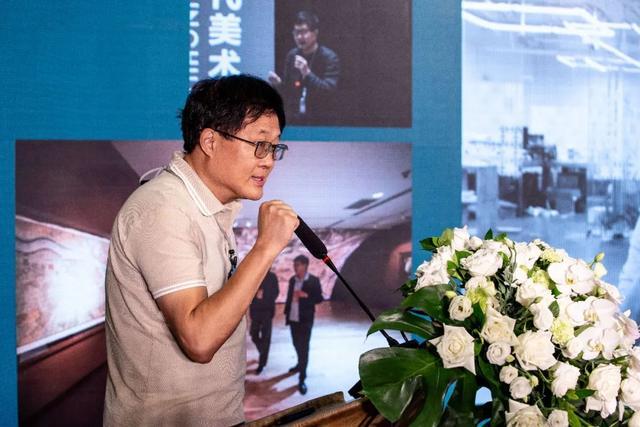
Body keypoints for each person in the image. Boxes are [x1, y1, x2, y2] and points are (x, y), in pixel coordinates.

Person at [103, 74, 299, 426]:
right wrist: (266, 247)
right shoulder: (162, 209)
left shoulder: (212, 208)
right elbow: (199, 339)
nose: (268, 160)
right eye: (259, 144)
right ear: (210, 140)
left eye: (274, 148)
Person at [268, 11, 340, 124]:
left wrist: (307, 73)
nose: (299, 37)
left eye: (304, 32)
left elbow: (329, 91)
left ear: (315, 33)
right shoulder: (292, 55)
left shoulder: (329, 57)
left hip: (323, 119)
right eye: (296, 32)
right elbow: (288, 93)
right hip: (295, 119)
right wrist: (278, 84)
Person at [283, 255, 323, 395]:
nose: (295, 267)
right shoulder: (292, 280)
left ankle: (302, 378)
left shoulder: (313, 280)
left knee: (304, 347)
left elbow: (319, 298)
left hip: (306, 320)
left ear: (305, 265)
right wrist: (286, 312)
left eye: (298, 265)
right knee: (296, 344)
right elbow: (289, 297)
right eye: (294, 265)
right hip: (293, 318)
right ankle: (300, 364)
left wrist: (306, 296)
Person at [249, 269, 280, 374]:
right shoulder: (255, 275)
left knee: (266, 337)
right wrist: (256, 295)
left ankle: (262, 363)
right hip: (256, 310)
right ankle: (263, 352)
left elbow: (276, 293)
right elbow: (249, 292)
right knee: (253, 334)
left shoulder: (272, 277)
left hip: (267, 311)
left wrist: (264, 295)